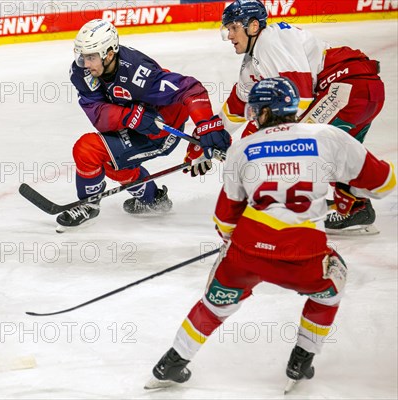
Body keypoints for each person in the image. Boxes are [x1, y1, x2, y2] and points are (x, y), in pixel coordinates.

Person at [145, 77, 396, 390]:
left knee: (216, 303)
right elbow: (385, 183)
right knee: (332, 285)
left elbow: (225, 219)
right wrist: (345, 194)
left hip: (247, 250)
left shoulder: (244, 148)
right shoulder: (328, 136)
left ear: (263, 113)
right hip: (304, 254)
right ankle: (301, 359)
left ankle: (172, 362)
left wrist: (232, 248)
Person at [217, 0, 385, 235]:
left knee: (295, 143)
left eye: (234, 28)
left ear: (253, 26)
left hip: (346, 89)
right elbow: (238, 103)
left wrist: (253, 141)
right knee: (334, 153)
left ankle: (286, 205)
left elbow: (299, 99)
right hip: (366, 92)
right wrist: (212, 134)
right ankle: (355, 207)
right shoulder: (252, 62)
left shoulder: (269, 42)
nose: (230, 35)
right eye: (227, 29)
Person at [57, 19, 231, 232]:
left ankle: (88, 204)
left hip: (162, 129)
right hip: (134, 123)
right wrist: (131, 116)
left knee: (88, 149)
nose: (85, 63)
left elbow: (191, 89)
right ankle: (152, 199)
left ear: (109, 54)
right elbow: (97, 112)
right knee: (112, 162)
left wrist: (205, 126)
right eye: (82, 56)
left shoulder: (139, 74)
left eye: (91, 57)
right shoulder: (82, 72)